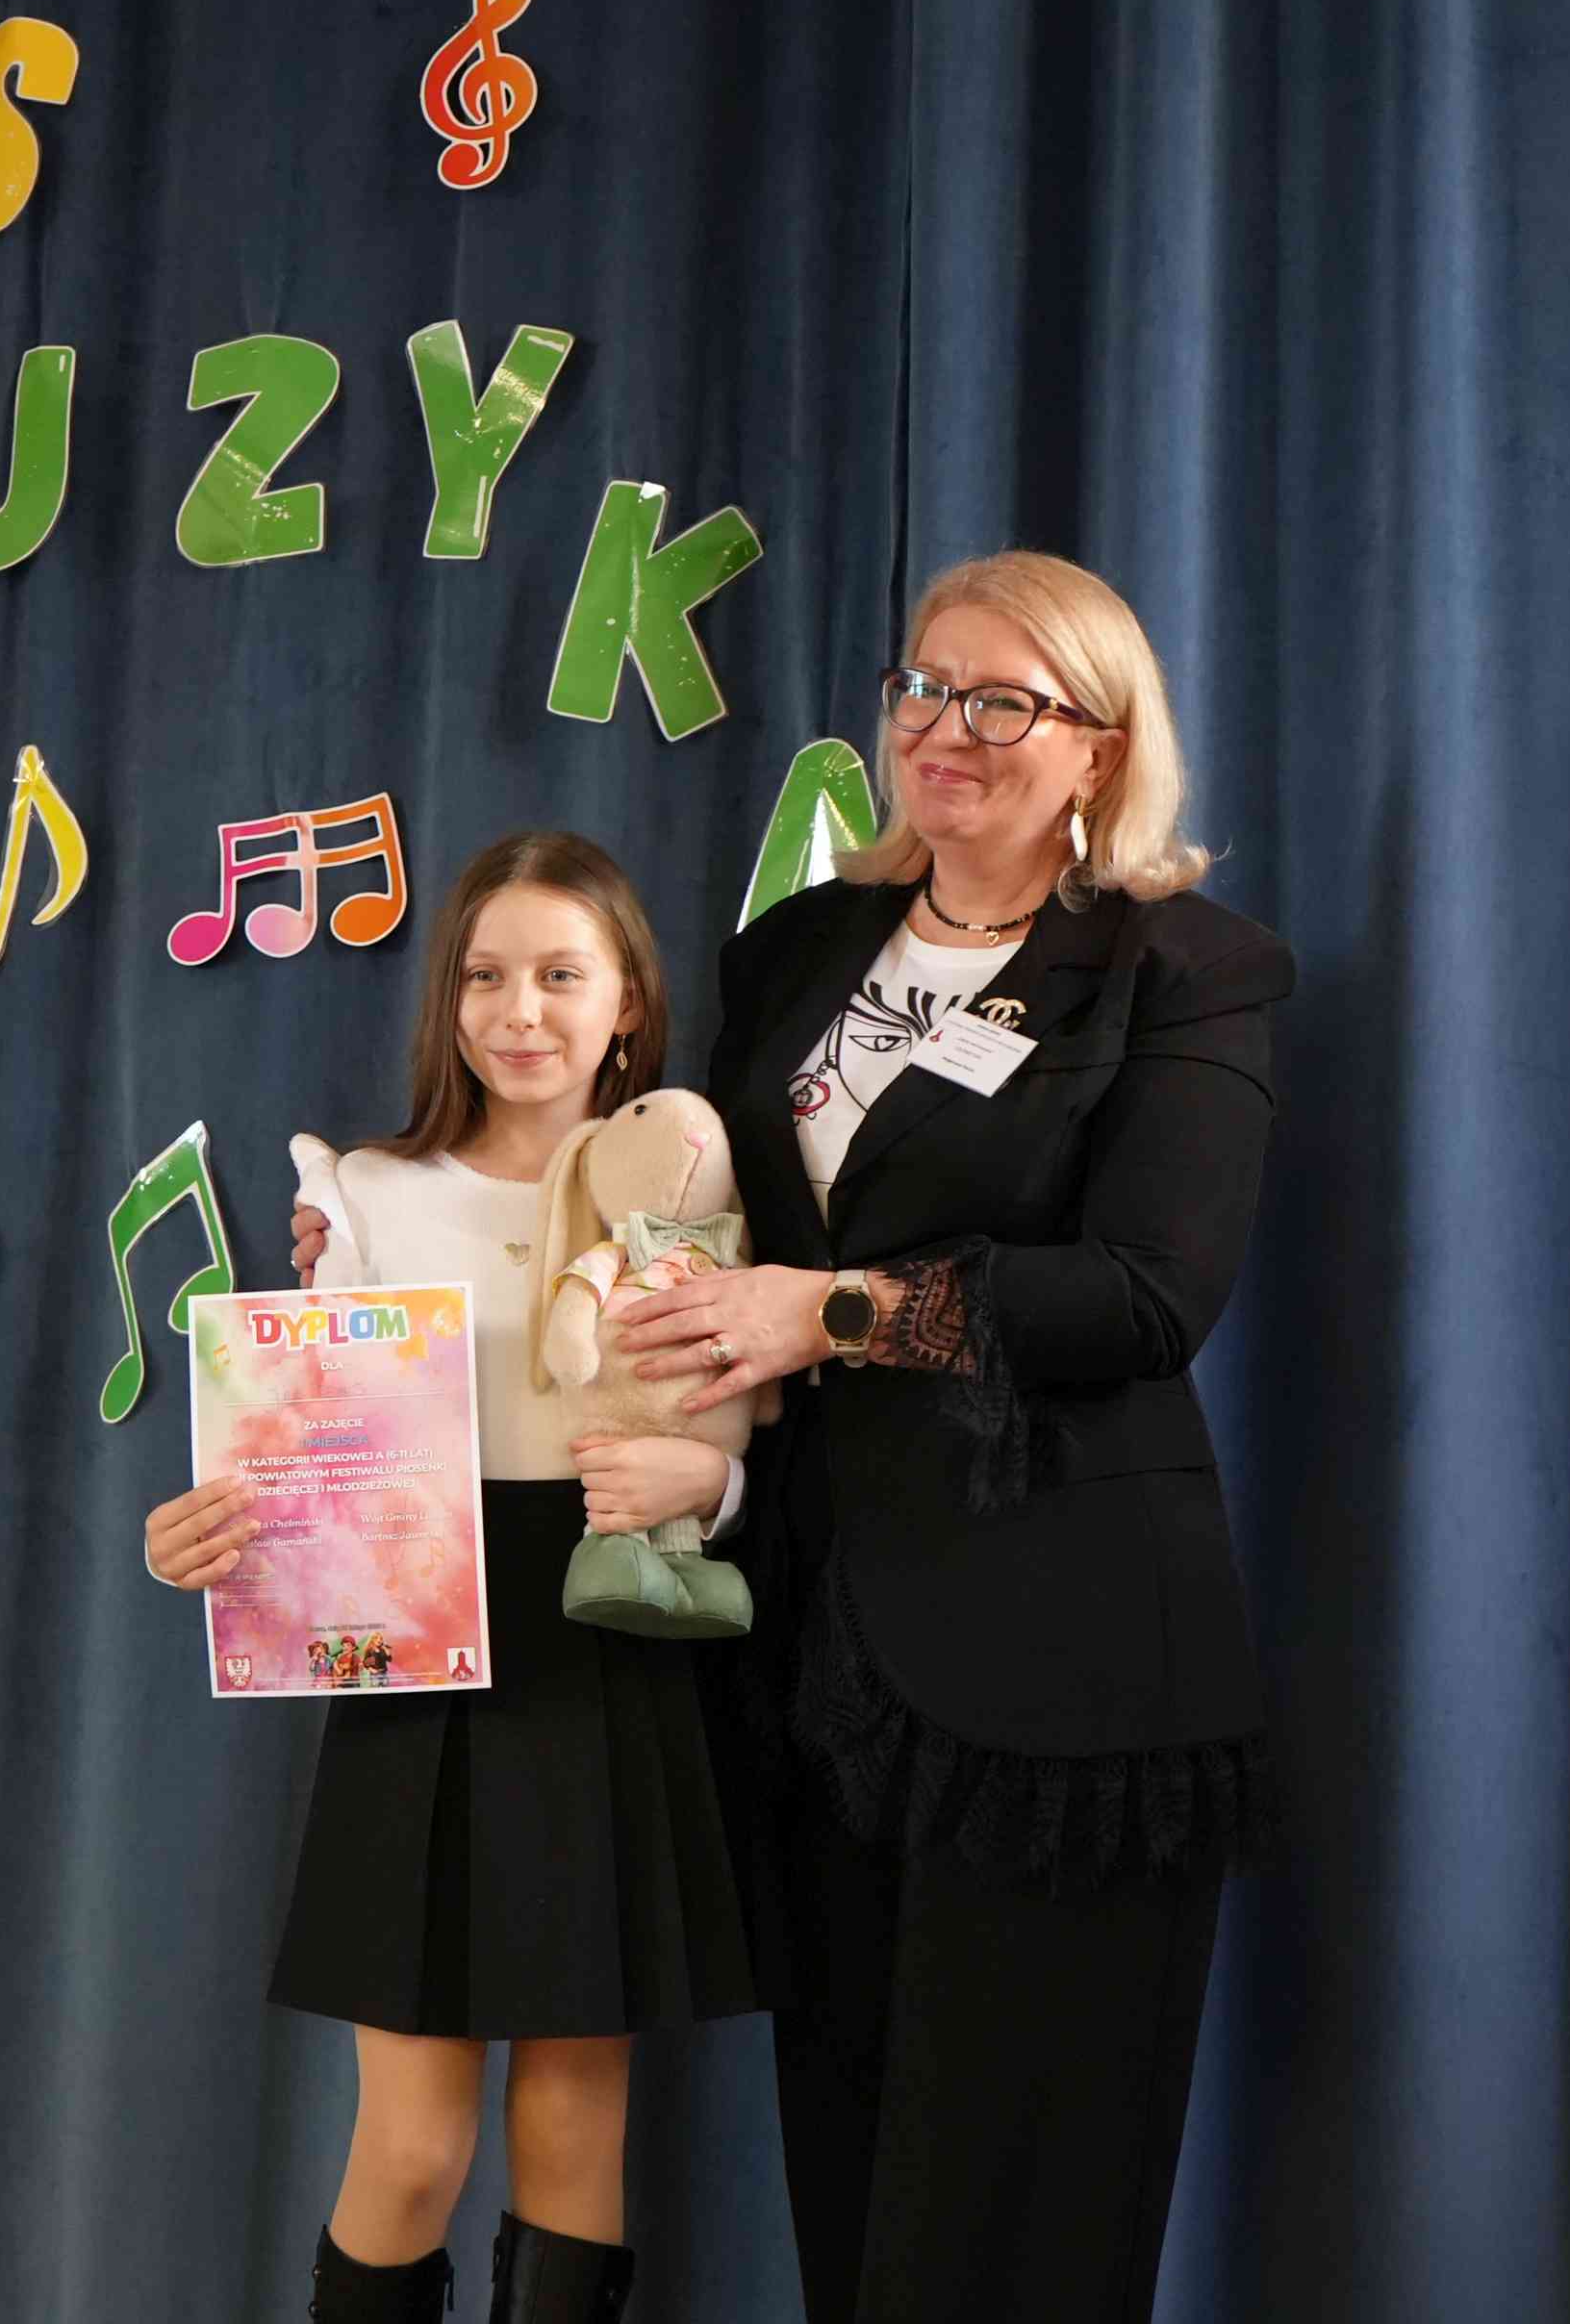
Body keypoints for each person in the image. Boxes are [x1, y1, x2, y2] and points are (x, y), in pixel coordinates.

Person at [604, 549, 1292, 2323]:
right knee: (853, 2214)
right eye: (923, 686)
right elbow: (687, 1210)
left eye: (1004, 701)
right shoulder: (795, 954)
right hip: (817, 1664)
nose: (944, 729)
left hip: (1063, 1680)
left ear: (1101, 747)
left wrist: (830, 1313)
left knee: (1016, 2236)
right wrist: (397, 1231)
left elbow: (1148, 1297)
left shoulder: (1183, 969)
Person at [145, 831, 758, 2324]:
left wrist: (714, 1488)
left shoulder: (686, 1185)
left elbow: (746, 1440)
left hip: (607, 1637)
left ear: (629, 1001)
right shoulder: (365, 1193)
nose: (518, 1011)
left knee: (574, 2126)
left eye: (561, 974)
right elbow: (311, 1455)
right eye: (486, 976)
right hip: (418, 1656)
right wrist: (207, 1540)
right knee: (413, 2144)